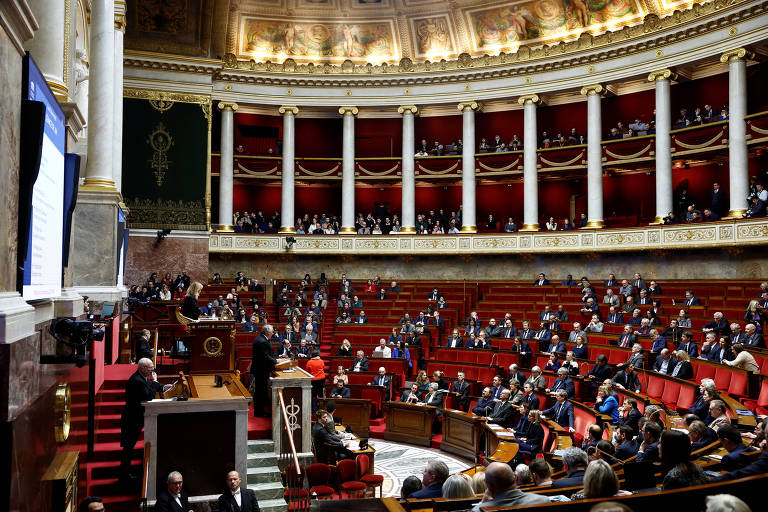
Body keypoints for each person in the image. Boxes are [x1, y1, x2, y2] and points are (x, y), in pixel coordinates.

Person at [119, 358, 166, 479]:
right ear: (143, 368)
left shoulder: (142, 377)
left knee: (129, 446)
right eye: (151, 367)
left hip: (136, 417)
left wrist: (163, 387)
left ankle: (126, 471)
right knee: (128, 446)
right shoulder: (136, 380)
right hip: (132, 419)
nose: (152, 370)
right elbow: (149, 396)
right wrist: (155, 382)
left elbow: (151, 387)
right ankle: (124, 473)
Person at [471, 462, 548, 511]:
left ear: (489, 487)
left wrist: (482, 503)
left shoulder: (480, 510)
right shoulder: (544, 501)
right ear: (515, 477)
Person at [251, 325, 277, 417]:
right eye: (272, 331)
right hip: (261, 370)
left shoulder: (260, 338)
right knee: (260, 391)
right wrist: (276, 361)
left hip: (259, 369)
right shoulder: (262, 341)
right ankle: (259, 413)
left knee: (260, 390)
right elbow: (265, 356)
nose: (273, 333)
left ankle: (259, 411)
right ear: (268, 332)